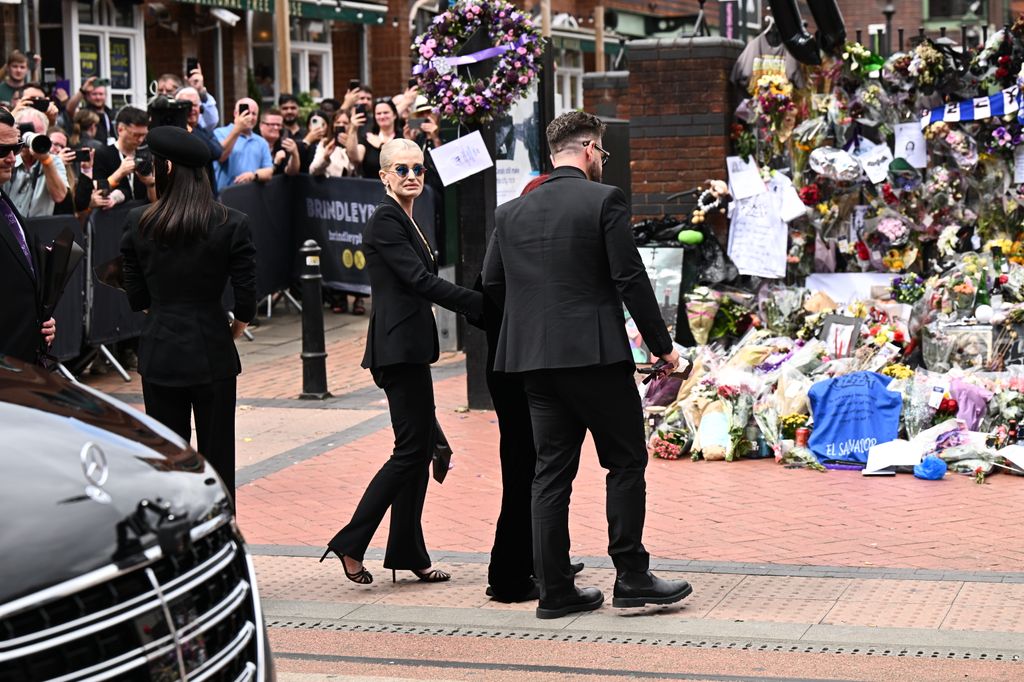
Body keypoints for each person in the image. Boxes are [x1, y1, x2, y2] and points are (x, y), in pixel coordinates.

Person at [482, 110, 691, 619]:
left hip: (534, 363)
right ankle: (633, 577)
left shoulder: (510, 213)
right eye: (603, 153)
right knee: (624, 462)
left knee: (550, 473)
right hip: (595, 358)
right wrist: (665, 349)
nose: (603, 161)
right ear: (591, 149)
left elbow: (491, 284)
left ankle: (554, 589)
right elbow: (630, 279)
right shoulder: (605, 200)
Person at [322, 139, 482, 585]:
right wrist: (479, 304)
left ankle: (408, 552)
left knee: (418, 451)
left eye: (418, 168)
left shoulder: (407, 218)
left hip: (409, 349)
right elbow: (419, 281)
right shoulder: (385, 221)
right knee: (410, 450)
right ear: (384, 176)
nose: (412, 175)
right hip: (397, 352)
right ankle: (351, 543)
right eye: (402, 169)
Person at [120, 125, 256, 504]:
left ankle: (175, 540)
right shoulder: (232, 222)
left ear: (165, 169)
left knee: (169, 458)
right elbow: (246, 298)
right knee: (218, 458)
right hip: (212, 345)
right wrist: (235, 326)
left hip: (161, 347)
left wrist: (163, 309)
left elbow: (136, 297)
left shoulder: (139, 221)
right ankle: (220, 538)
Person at [0, 107, 56, 363]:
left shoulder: (4, 200)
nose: (11, 158)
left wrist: (39, 321)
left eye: (16, 148)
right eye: (1, 150)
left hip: (22, 361)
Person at [2, 108, 69, 217]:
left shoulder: (53, 161)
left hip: (38, 229)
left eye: (37, 134)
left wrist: (46, 161)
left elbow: (59, 196)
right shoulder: (8, 157)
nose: (30, 137)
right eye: (26, 130)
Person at [93, 106, 156, 205]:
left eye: (144, 135)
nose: (140, 140)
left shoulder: (147, 155)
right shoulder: (103, 154)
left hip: (142, 214)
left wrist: (150, 184)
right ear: (120, 129)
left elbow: (155, 203)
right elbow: (98, 192)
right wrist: (119, 173)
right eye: (135, 135)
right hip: (114, 215)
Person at [213, 98, 272, 192]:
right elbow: (221, 156)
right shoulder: (219, 133)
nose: (250, 117)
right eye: (246, 112)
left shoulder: (261, 141)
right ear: (235, 113)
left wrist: (253, 175)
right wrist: (238, 129)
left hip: (250, 196)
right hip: (225, 196)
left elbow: (269, 171)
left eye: (254, 114)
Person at [66, 76, 117, 144]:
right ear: (87, 96)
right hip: (91, 149)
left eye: (101, 94)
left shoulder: (112, 114)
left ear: (106, 95)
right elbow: (70, 108)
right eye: (94, 94)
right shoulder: (83, 113)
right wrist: (83, 90)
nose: (98, 97)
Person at [257, 107, 301, 176]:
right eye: (272, 124)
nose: (276, 128)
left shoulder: (283, 145)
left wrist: (294, 154)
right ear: (261, 126)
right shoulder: (253, 143)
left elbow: (291, 172)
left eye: (279, 125)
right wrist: (275, 163)